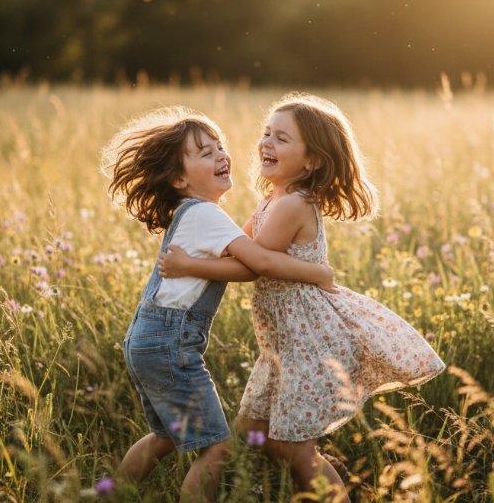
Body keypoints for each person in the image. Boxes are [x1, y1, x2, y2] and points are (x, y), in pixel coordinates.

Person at [160, 93, 446, 501]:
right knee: (257, 434)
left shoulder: (293, 204)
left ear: (311, 160)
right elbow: (236, 245)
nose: (266, 144)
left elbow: (256, 263)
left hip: (308, 341)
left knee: (292, 447)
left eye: (281, 138)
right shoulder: (273, 200)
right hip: (284, 344)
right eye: (266, 134)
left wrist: (191, 266)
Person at [100, 107, 336, 503]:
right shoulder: (207, 214)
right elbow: (255, 263)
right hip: (170, 343)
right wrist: (319, 273)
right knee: (217, 448)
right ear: (179, 178)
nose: (221, 155)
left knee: (164, 438)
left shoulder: (198, 214)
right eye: (205, 153)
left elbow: (247, 252)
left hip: (148, 340)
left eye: (220, 146)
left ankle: (110, 496)